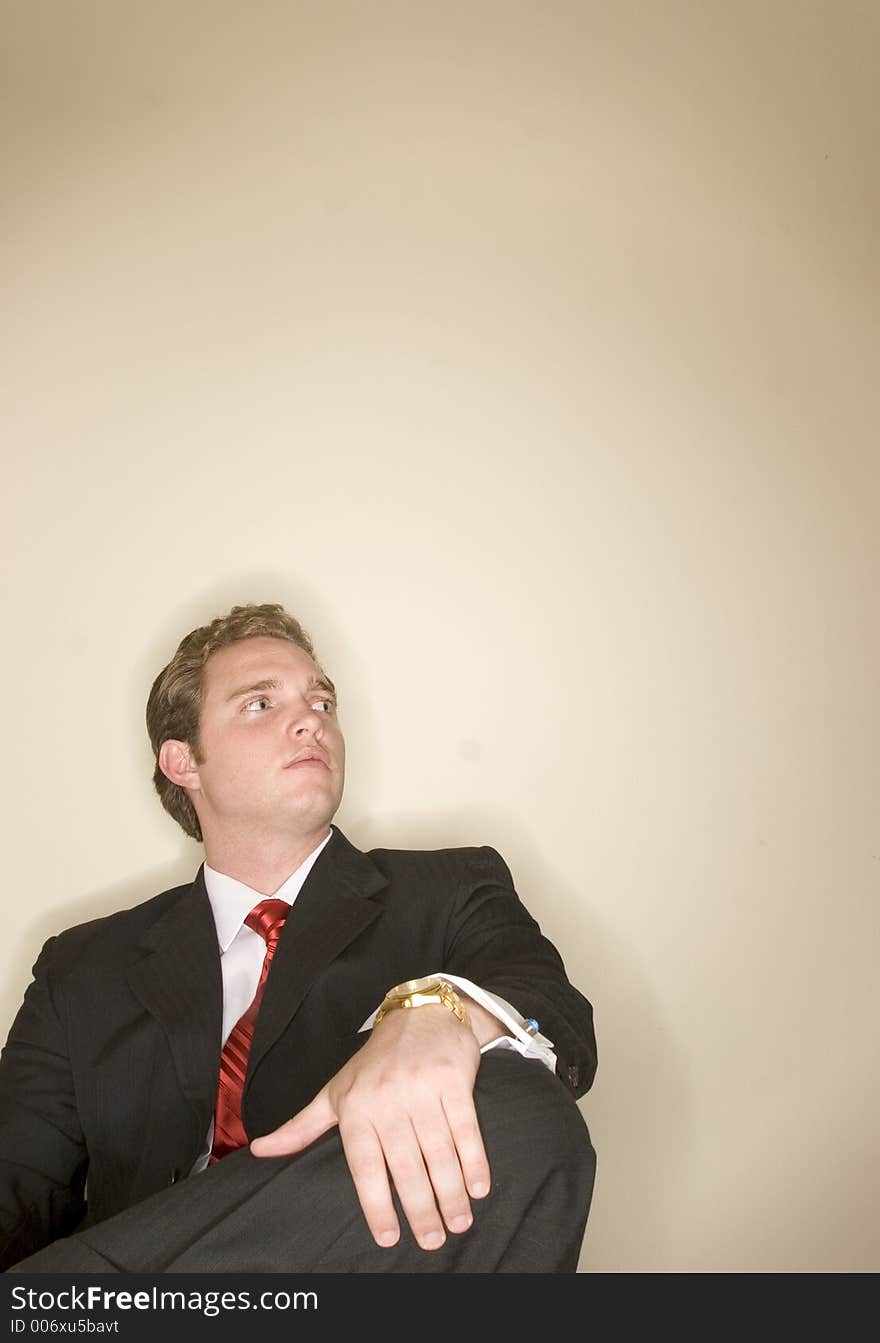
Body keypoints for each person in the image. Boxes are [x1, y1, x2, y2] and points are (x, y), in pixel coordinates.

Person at [0, 603, 597, 1273]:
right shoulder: (80, 967)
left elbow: (561, 1016)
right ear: (181, 761)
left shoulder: (450, 887)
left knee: (527, 1118)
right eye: (260, 703)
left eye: (323, 700)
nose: (312, 717)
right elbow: (14, 1192)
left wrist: (440, 1010)